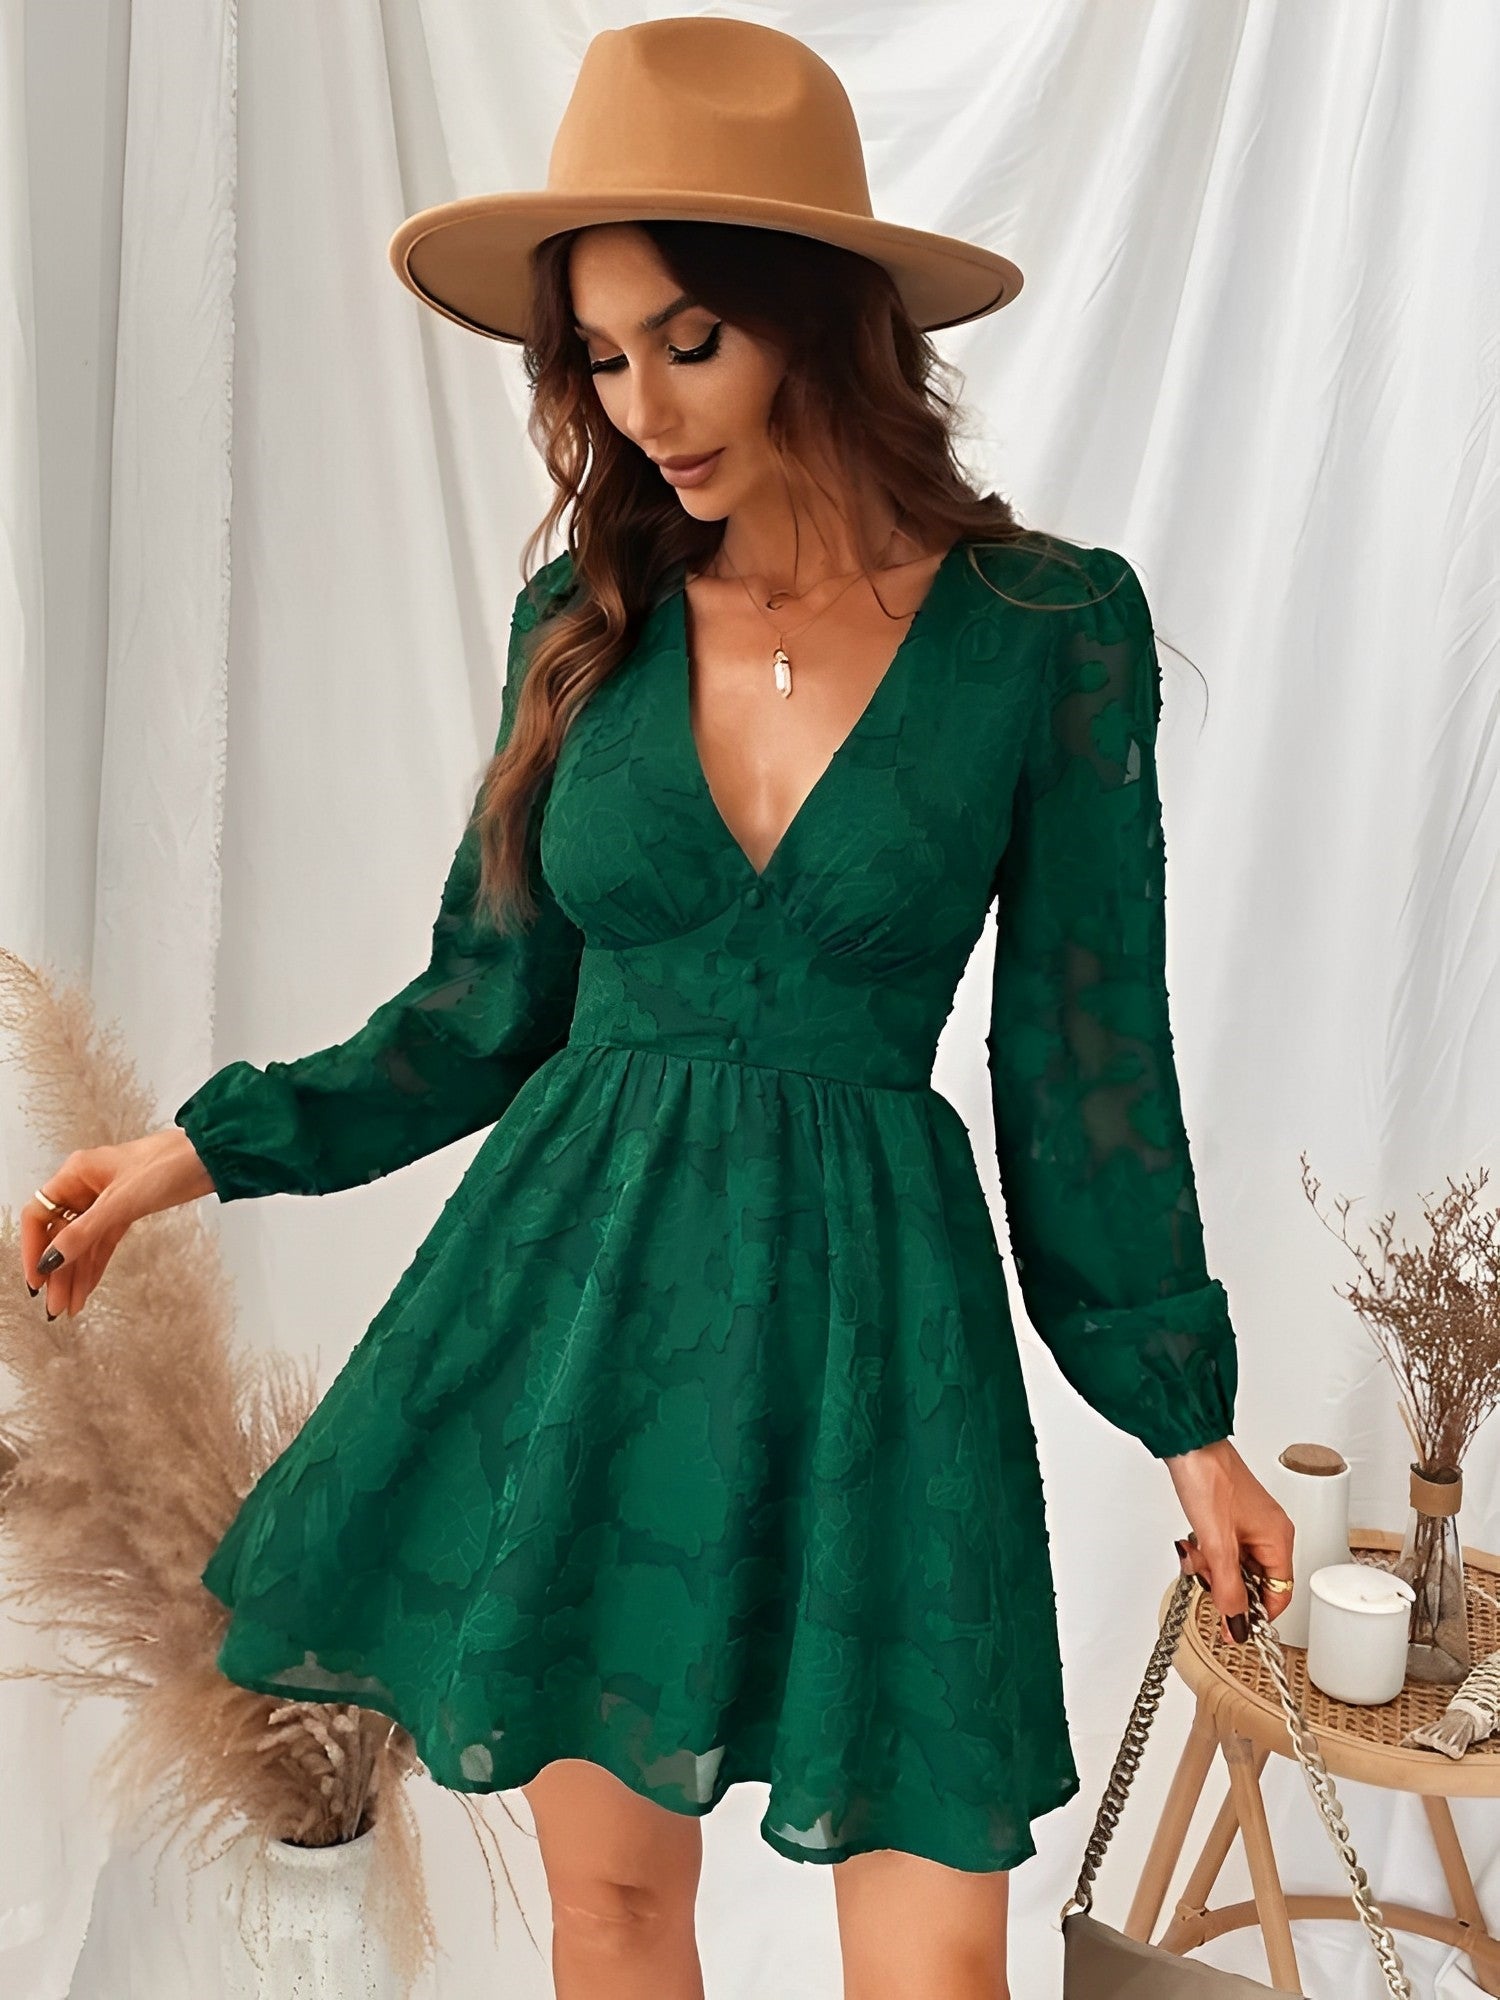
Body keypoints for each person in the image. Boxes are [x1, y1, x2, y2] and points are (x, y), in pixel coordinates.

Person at [20, 19, 1293, 2000]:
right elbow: (481, 1008)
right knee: (615, 1919)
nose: (643, 405)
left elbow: (1086, 1061)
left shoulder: (1046, 633)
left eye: (687, 340)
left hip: (881, 1345)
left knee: (937, 1966)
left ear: (816, 318)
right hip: (588, 1313)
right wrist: (192, 1150)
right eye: (601, 359)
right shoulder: (585, 630)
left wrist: (1188, 1425)